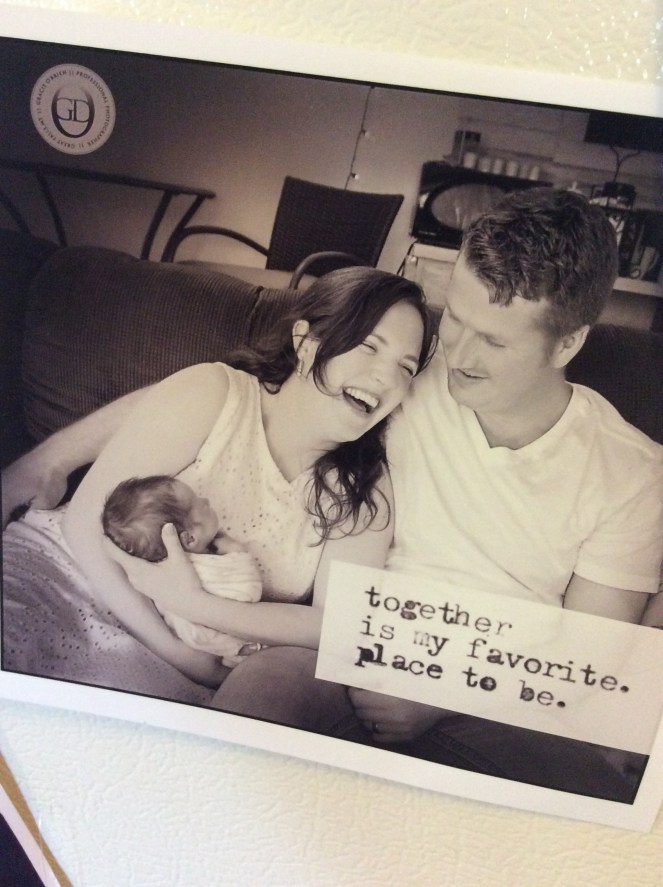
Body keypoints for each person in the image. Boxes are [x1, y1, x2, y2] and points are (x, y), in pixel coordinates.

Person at [2, 266, 435, 692]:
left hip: (191, 652)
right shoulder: (215, 393)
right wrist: (178, 654)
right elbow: (83, 522)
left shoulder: (363, 490)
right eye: (369, 346)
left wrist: (195, 608)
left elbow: (335, 625)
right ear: (305, 342)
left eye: (406, 366)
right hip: (69, 576)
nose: (387, 377)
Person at [102, 475, 262, 665]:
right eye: (199, 503)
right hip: (238, 642)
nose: (206, 500)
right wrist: (237, 551)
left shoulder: (155, 576)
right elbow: (249, 592)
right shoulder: (206, 572)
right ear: (190, 539)